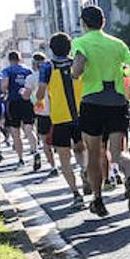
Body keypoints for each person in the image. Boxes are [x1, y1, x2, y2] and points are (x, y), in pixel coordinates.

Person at [72, 5, 130, 217]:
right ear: (103, 22)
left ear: (83, 23)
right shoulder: (117, 44)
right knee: (117, 152)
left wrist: (75, 74)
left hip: (92, 101)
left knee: (95, 154)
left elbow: (78, 66)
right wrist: (123, 80)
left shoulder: (80, 42)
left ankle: (98, 199)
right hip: (117, 102)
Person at [34, 32, 87, 207]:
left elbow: (40, 93)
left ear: (51, 48)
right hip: (81, 114)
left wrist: (40, 100)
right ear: (69, 47)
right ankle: (85, 169)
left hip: (59, 117)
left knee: (64, 157)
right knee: (81, 149)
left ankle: (75, 193)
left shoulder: (47, 67)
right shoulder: (77, 63)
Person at [0, 51, 38, 170]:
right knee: (29, 129)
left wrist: (4, 92)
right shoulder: (27, 70)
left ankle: (21, 159)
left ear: (9, 59)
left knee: (16, 132)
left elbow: (4, 85)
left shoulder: (7, 71)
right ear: (20, 58)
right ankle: (35, 151)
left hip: (13, 102)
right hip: (27, 102)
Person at [25, 53, 54, 172]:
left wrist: (23, 93)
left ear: (33, 64)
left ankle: (53, 166)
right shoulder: (53, 74)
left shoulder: (31, 78)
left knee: (45, 141)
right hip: (58, 109)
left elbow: (26, 96)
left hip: (41, 109)